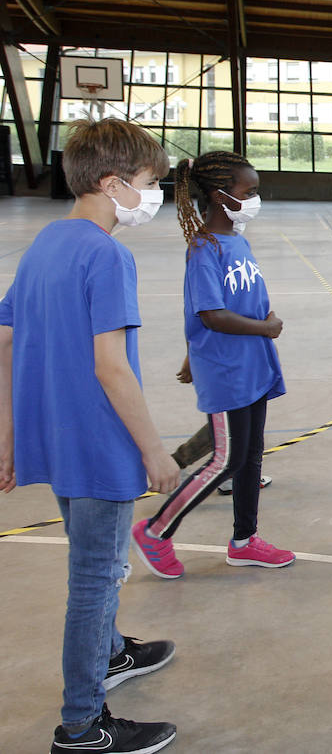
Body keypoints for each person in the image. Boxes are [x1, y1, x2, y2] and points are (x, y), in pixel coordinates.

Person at [0, 118, 179, 753]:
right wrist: (153, 450)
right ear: (112, 183)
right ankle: (82, 724)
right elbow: (111, 367)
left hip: (53, 437)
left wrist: (9, 437)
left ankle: (110, 653)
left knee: (90, 558)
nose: (152, 194)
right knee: (97, 577)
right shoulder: (108, 255)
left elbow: (6, 338)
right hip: (100, 447)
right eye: (148, 182)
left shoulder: (45, 242)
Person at [131, 151, 293, 579]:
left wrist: (258, 331)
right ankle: (156, 530)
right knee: (225, 460)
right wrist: (265, 329)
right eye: (249, 192)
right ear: (221, 196)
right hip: (227, 370)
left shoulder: (238, 241)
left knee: (250, 456)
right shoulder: (203, 249)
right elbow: (211, 315)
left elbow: (232, 303)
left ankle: (244, 541)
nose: (255, 198)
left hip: (252, 365)